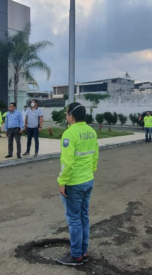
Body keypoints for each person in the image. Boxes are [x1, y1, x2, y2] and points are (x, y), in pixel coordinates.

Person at [56, 102, 99, 266]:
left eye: (67, 113)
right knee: (83, 217)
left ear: (71, 116)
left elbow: (67, 162)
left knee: (74, 219)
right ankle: (83, 251)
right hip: (88, 180)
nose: (66, 116)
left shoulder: (69, 133)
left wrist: (62, 182)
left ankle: (76, 256)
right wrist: (91, 171)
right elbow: (95, 155)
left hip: (74, 182)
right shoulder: (91, 131)